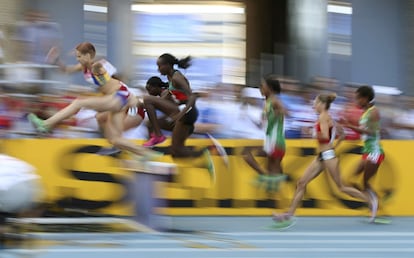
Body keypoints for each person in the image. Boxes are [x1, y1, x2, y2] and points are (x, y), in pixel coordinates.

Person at [27, 42, 160, 159]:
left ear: (89, 55)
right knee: (115, 139)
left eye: (80, 56)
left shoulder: (98, 66)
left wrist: (96, 74)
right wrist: (56, 60)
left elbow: (104, 81)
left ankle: (46, 124)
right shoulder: (84, 66)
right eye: (77, 57)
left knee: (79, 103)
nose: (78, 59)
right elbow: (66, 70)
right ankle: (147, 155)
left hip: (119, 96)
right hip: (119, 99)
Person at [273, 93, 376, 226]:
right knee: (301, 183)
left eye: (315, 103)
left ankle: (370, 201)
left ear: (322, 104)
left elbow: (325, 136)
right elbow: (343, 134)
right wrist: (333, 147)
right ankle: (289, 215)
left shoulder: (323, 117)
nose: (313, 106)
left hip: (327, 156)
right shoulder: (329, 118)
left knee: (342, 187)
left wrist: (312, 132)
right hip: (323, 156)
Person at [142, 53, 214, 177]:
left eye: (160, 66)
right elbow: (165, 97)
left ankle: (157, 138)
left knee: (148, 99)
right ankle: (202, 158)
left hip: (187, 112)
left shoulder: (177, 77)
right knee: (176, 152)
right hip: (183, 115)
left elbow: (192, 97)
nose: (158, 69)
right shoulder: (170, 79)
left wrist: (181, 113)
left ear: (168, 65)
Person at [339, 85, 383, 218]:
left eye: (358, 98)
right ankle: (374, 205)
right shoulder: (365, 113)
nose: (356, 100)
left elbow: (371, 132)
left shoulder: (374, 112)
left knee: (365, 184)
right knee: (350, 180)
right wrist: (350, 124)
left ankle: (377, 210)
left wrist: (350, 126)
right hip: (367, 151)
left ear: (365, 98)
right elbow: (364, 131)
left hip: (374, 152)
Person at [242, 76, 287, 192]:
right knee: (274, 183)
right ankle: (268, 176)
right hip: (271, 141)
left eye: (262, 86)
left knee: (246, 153)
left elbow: (285, 111)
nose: (260, 88)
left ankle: (265, 175)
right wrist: (247, 115)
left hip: (275, 141)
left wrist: (277, 114)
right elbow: (260, 125)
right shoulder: (267, 103)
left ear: (270, 88)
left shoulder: (274, 100)